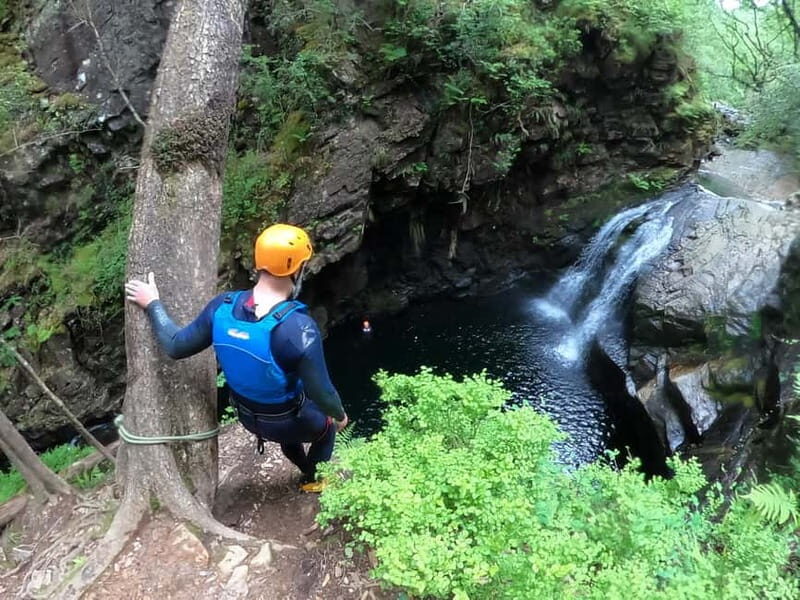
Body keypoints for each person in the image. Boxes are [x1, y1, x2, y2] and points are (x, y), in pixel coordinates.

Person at [124, 224, 348, 493]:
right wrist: (340, 415)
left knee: (291, 427)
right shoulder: (298, 330)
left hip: (250, 419)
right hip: (289, 421)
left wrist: (153, 304)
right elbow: (322, 392)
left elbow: (175, 345)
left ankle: (302, 466)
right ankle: (313, 480)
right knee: (326, 428)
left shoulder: (223, 307)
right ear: (297, 270)